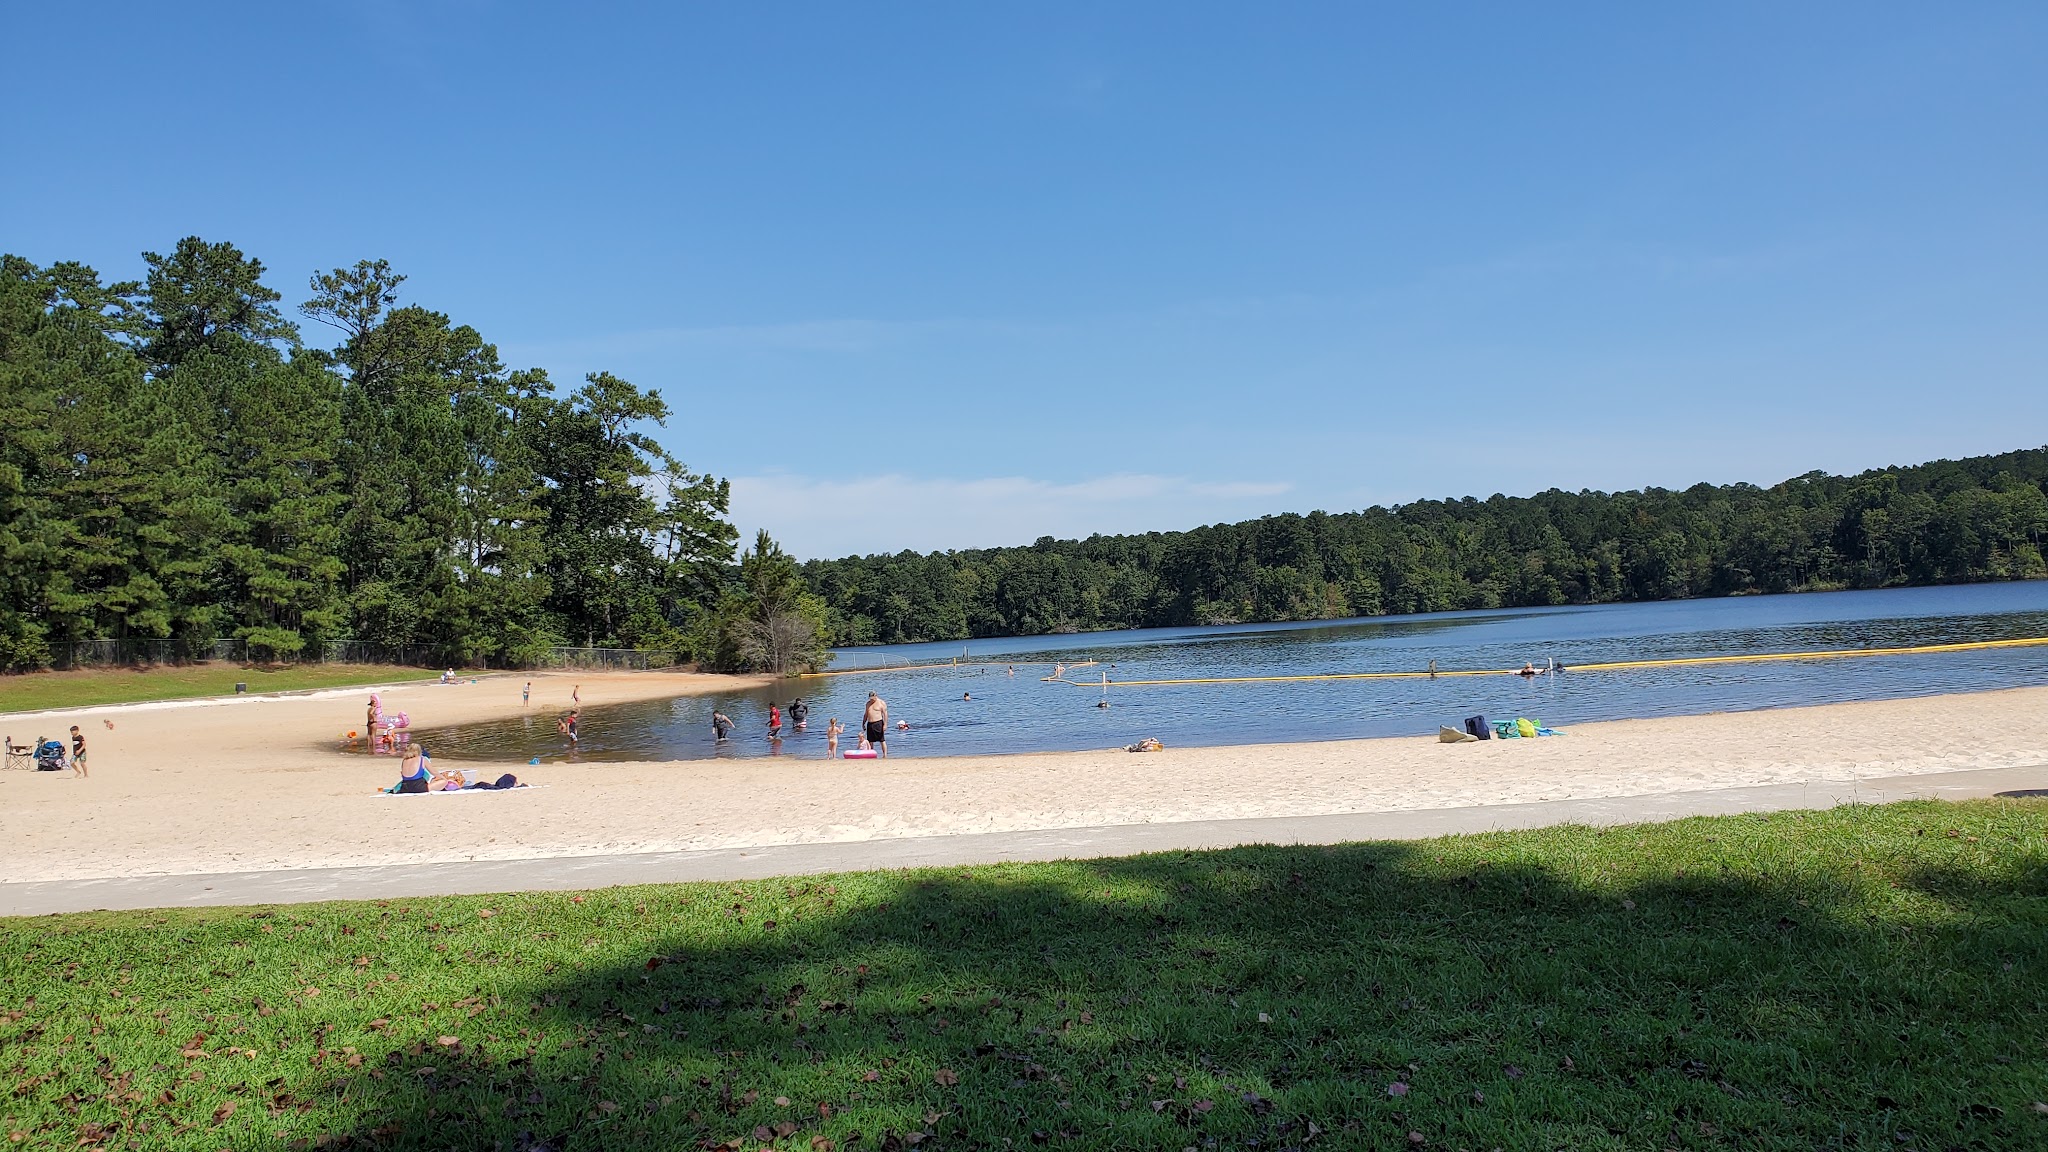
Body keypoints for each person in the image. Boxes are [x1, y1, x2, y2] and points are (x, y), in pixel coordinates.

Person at [864, 692, 888, 758]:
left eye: (873, 698)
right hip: (870, 723)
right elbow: (866, 714)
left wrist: (885, 724)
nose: (871, 700)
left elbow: (885, 714)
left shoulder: (881, 703)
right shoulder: (868, 704)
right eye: (870, 698)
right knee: (870, 740)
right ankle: (871, 754)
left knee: (882, 740)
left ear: (876, 696)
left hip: (878, 723)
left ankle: (885, 755)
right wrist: (863, 723)